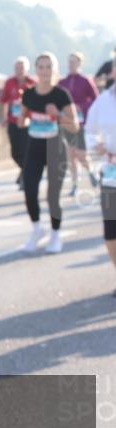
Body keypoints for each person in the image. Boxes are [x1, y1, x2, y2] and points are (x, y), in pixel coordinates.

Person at [19, 52, 79, 254]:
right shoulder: (28, 94)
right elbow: (24, 117)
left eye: (48, 66)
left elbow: (75, 126)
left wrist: (59, 115)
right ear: (36, 70)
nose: (45, 71)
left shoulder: (61, 95)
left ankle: (55, 234)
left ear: (55, 70)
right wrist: (22, 120)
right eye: (41, 67)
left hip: (55, 149)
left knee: (52, 196)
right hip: (34, 148)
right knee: (29, 190)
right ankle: (37, 229)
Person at [84, 78, 116, 296]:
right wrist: (95, 145)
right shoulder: (103, 101)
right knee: (111, 230)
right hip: (111, 171)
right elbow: (89, 130)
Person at [58, 51, 100, 197]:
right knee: (70, 154)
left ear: (79, 64)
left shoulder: (86, 81)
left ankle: (90, 172)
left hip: (81, 123)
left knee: (81, 154)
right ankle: (75, 184)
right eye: (69, 62)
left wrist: (81, 106)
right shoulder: (62, 82)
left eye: (74, 62)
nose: (71, 65)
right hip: (67, 123)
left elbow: (96, 100)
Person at [0, 57, 36, 190]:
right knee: (15, 153)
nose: (19, 71)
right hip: (13, 121)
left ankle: (26, 177)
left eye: (22, 68)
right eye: (17, 68)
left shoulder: (33, 83)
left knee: (27, 151)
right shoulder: (9, 83)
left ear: (26, 69)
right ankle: (26, 172)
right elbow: (4, 101)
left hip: (28, 123)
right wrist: (4, 117)